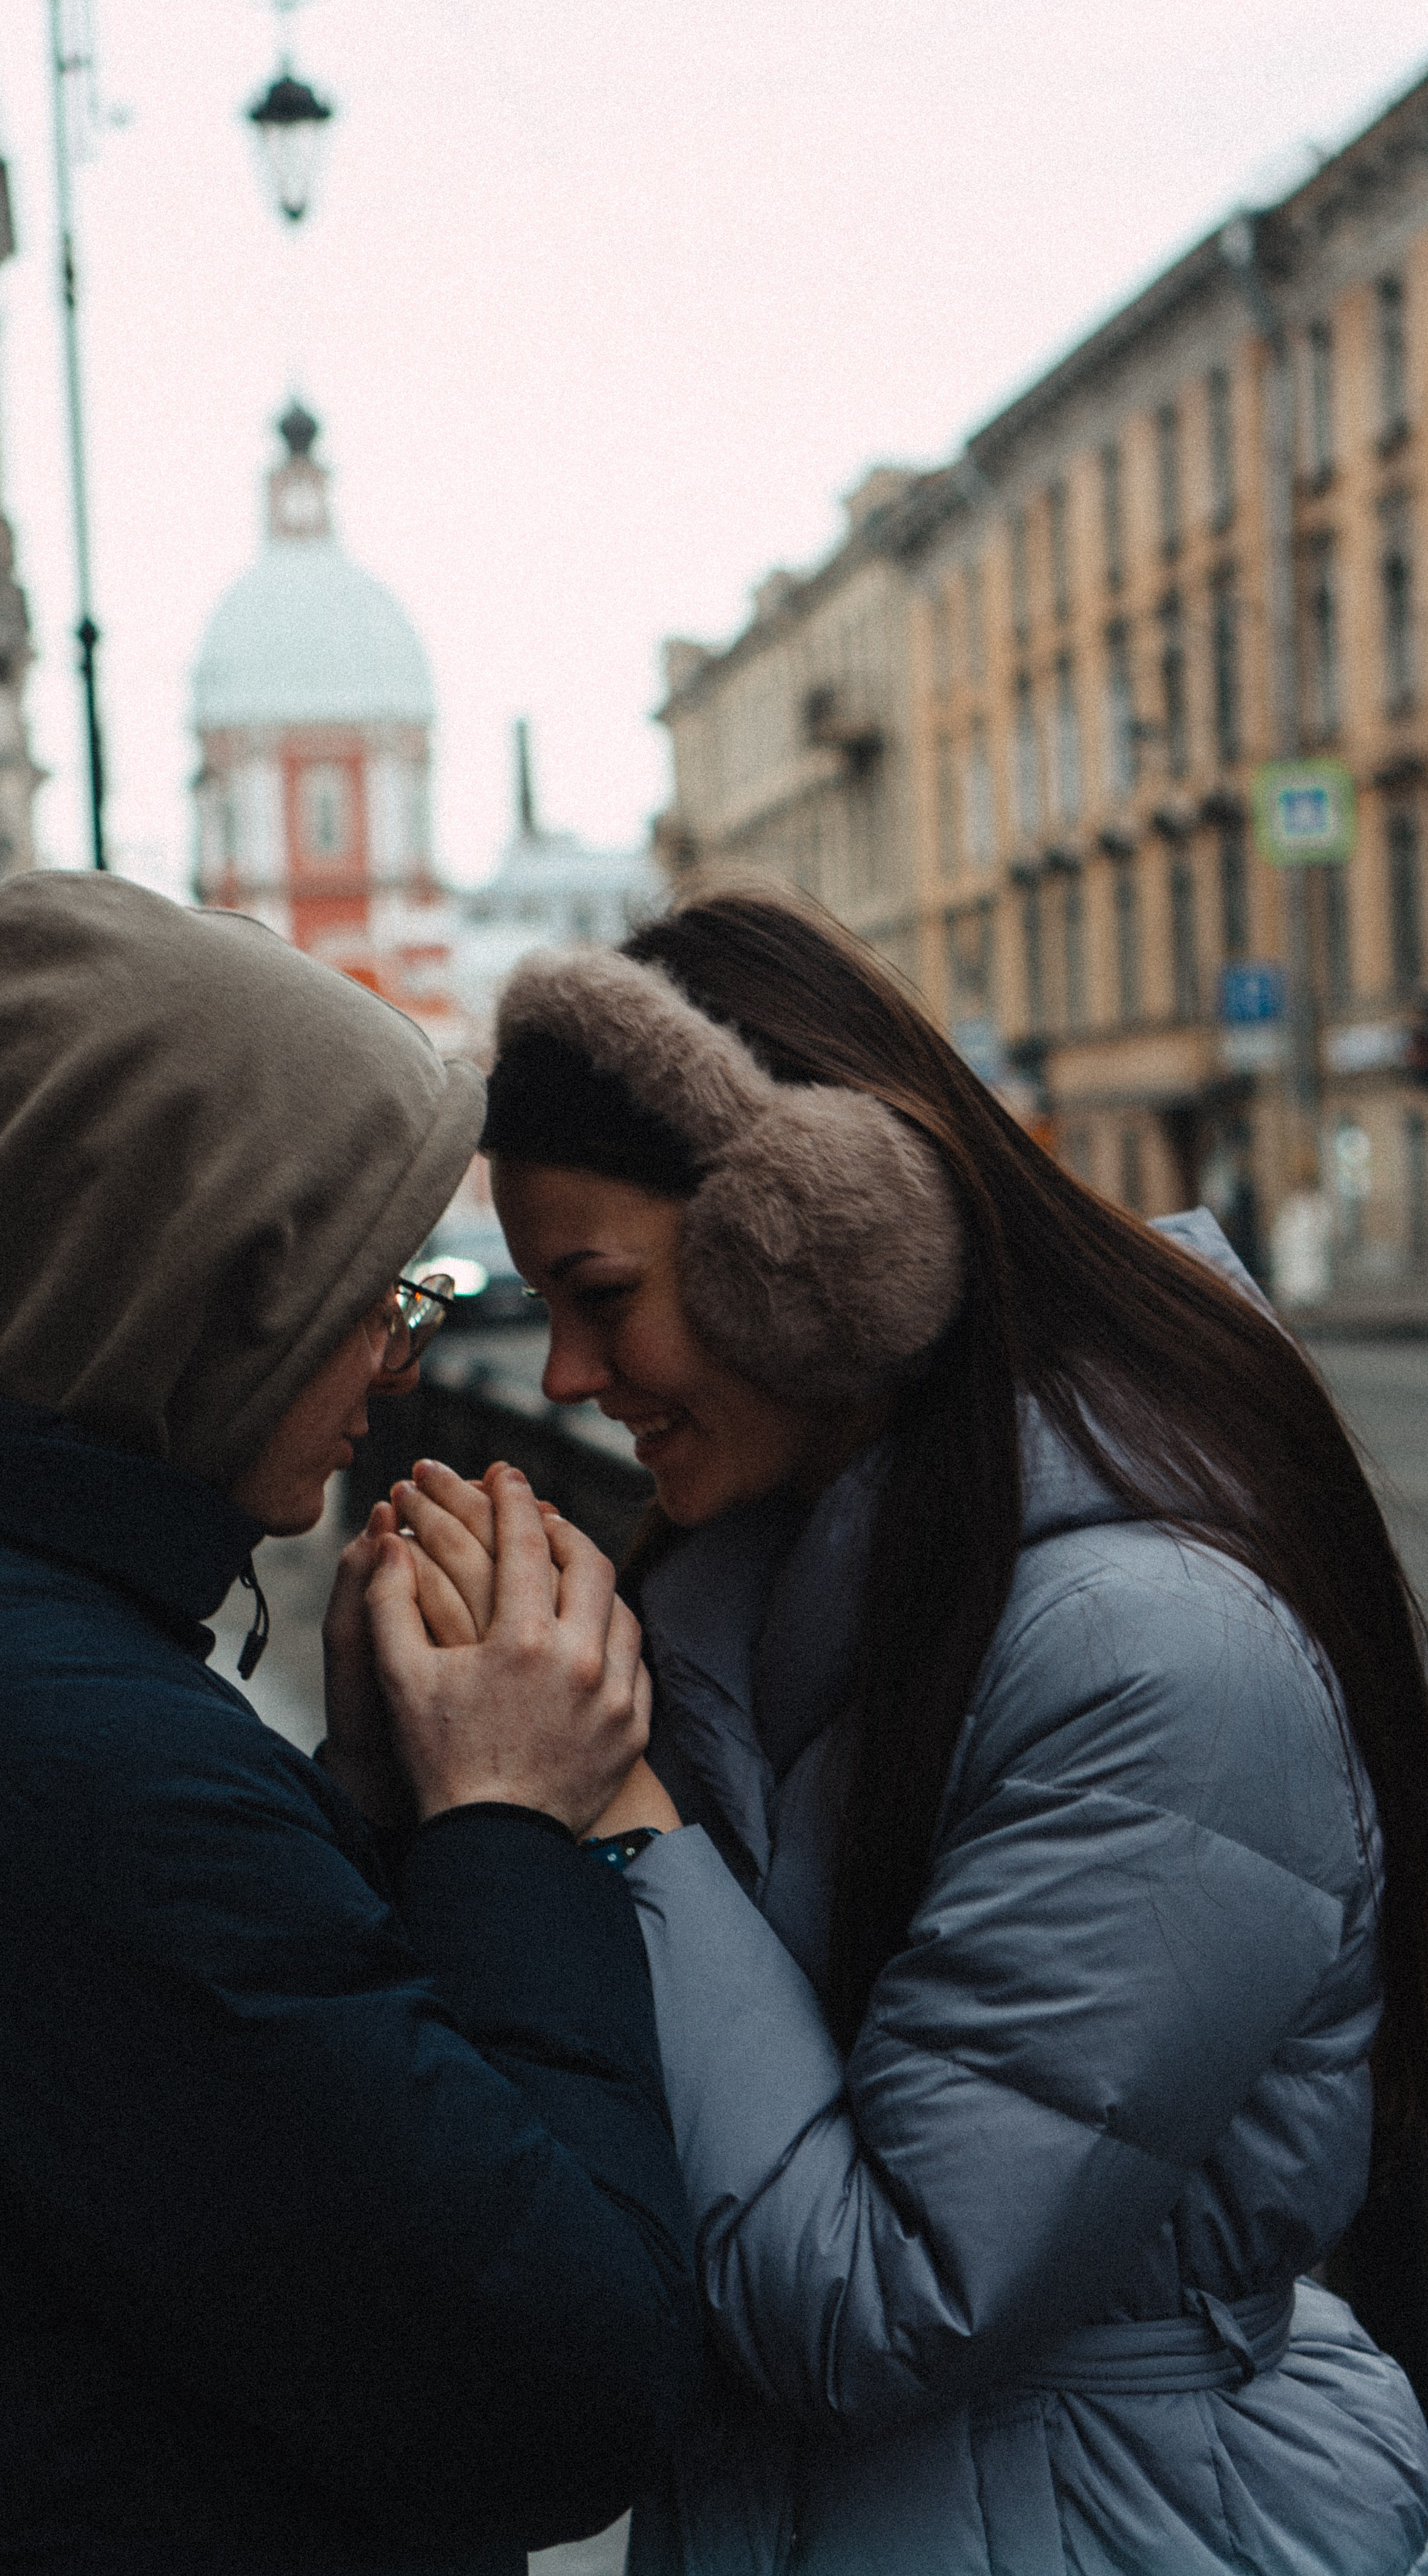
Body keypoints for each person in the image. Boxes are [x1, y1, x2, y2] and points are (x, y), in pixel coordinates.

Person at [390, 891, 1428, 2575]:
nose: (566, 1377)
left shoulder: (1160, 1664)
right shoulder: (775, 1569)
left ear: (810, 1238)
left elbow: (879, 2304)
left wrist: (602, 1805)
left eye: (599, 1295)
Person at [0, 872, 698, 2576]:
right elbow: (559, 2391)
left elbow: (197, 2130)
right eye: (381, 1300)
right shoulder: (66, 1763)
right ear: (216, 1290)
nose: (402, 1371)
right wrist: (513, 1826)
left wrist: (372, 1805)